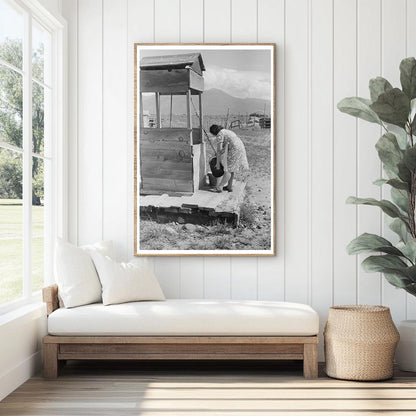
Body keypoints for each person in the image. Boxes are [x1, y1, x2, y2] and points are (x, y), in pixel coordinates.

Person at [209, 124, 249, 192]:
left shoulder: (220, 134)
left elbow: (219, 149)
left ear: (214, 132)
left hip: (234, 149)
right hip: (239, 148)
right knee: (232, 168)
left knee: (228, 169)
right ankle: (229, 187)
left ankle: (220, 187)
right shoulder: (225, 131)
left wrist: (218, 162)